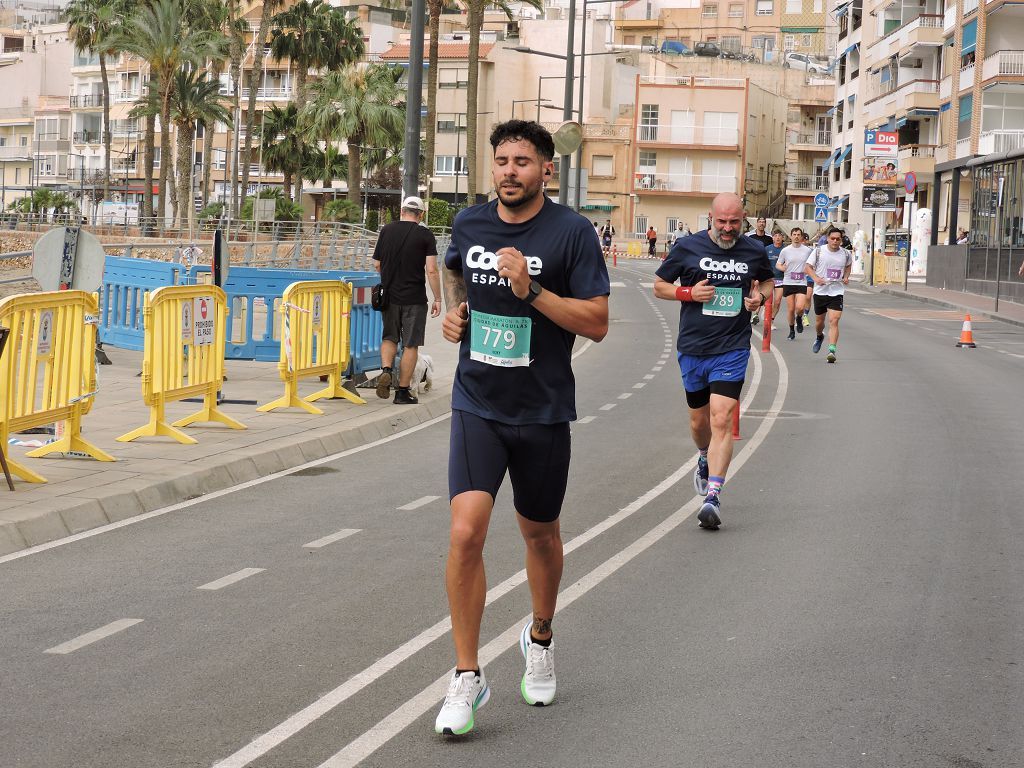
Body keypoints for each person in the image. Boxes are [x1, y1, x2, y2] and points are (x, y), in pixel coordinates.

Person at [435, 119, 610, 735]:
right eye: (502, 161)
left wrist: (530, 290)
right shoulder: (470, 224)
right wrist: (455, 312)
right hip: (477, 401)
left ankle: (539, 636)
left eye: (522, 162)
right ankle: (465, 676)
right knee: (465, 532)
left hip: (542, 410)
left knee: (540, 535)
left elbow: (595, 322)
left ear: (545, 170)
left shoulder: (572, 233)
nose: (510, 171)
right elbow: (453, 266)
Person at [653, 192, 774, 531]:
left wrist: (759, 297)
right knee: (699, 423)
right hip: (693, 347)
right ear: (711, 218)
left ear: (744, 218)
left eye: (734, 222)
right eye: (721, 222)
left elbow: (767, 280)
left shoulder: (753, 249)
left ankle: (713, 497)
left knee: (722, 417)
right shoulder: (688, 247)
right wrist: (688, 293)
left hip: (732, 347)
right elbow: (659, 286)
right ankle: (703, 457)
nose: (727, 228)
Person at [372, 195, 442, 404]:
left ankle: (386, 369)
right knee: (410, 345)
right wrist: (438, 298)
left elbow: (377, 263)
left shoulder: (387, 230)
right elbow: (431, 270)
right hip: (414, 298)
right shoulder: (425, 235)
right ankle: (402, 391)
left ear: (402, 211)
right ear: (421, 215)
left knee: (389, 337)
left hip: (390, 296)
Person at [805, 228, 853, 364]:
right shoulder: (819, 251)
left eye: (838, 239)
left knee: (834, 320)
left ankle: (832, 350)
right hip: (820, 291)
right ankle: (819, 336)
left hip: (836, 291)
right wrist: (816, 278)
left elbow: (849, 266)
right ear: (828, 238)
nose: (835, 241)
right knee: (819, 322)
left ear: (841, 240)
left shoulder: (845, 253)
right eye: (833, 238)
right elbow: (807, 267)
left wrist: (846, 276)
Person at [776, 226, 813, 340]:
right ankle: (792, 330)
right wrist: (783, 268)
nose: (796, 237)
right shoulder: (785, 250)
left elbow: (812, 263)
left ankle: (799, 318)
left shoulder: (807, 250)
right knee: (791, 309)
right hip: (788, 281)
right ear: (791, 236)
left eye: (798, 235)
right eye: (794, 234)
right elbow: (778, 264)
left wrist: (809, 269)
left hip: (801, 282)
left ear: (801, 237)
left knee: (800, 307)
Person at [746, 217, 773, 325]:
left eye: (763, 222)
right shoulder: (749, 236)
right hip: (751, 265)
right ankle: (749, 308)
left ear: (765, 224)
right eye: (760, 222)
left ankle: (756, 312)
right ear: (756, 224)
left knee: (762, 288)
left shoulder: (769, 238)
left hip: (764, 267)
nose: (761, 224)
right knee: (751, 288)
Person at [765, 230, 785, 329]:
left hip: (781, 278)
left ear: (782, 238)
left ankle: (771, 320)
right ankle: (766, 313)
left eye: (779, 236)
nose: (777, 238)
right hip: (769, 279)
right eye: (775, 236)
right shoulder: (767, 249)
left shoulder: (786, 250)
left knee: (777, 301)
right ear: (772, 238)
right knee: (768, 301)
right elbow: (763, 263)